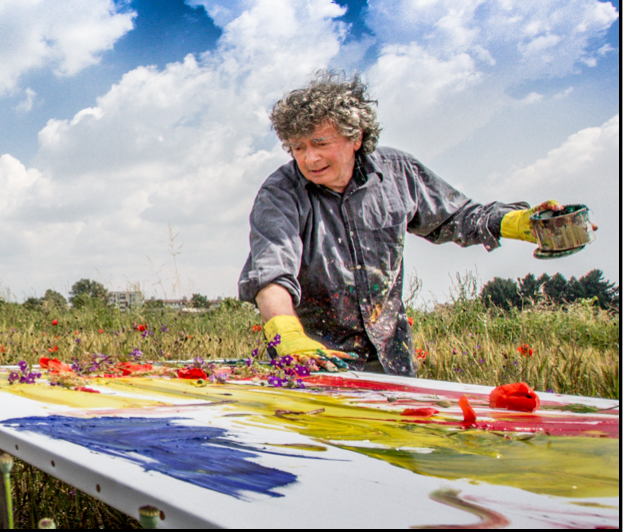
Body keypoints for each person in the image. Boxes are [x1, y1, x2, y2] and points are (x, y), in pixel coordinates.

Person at [237, 72, 577, 376]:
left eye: (320, 144)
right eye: (298, 147)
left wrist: (519, 223)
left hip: (389, 361)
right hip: (314, 362)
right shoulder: (279, 192)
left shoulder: (398, 171)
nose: (309, 158)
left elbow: (457, 216)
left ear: (356, 137)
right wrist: (290, 338)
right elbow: (271, 273)